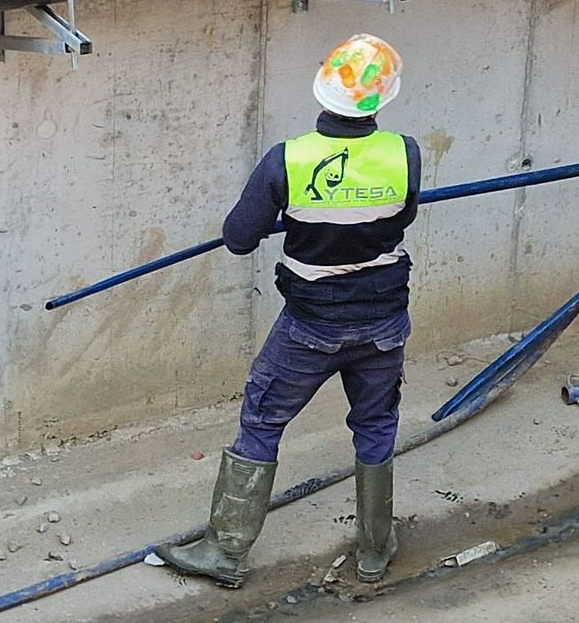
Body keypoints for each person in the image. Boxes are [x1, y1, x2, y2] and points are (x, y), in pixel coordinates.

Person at [156, 33, 420, 589]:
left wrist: (295, 210)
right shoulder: (405, 154)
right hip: (384, 321)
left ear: (323, 88)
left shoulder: (288, 160)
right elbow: (403, 217)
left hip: (312, 326)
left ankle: (225, 552)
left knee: (262, 421)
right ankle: (374, 548)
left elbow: (238, 238)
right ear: (382, 99)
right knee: (375, 423)